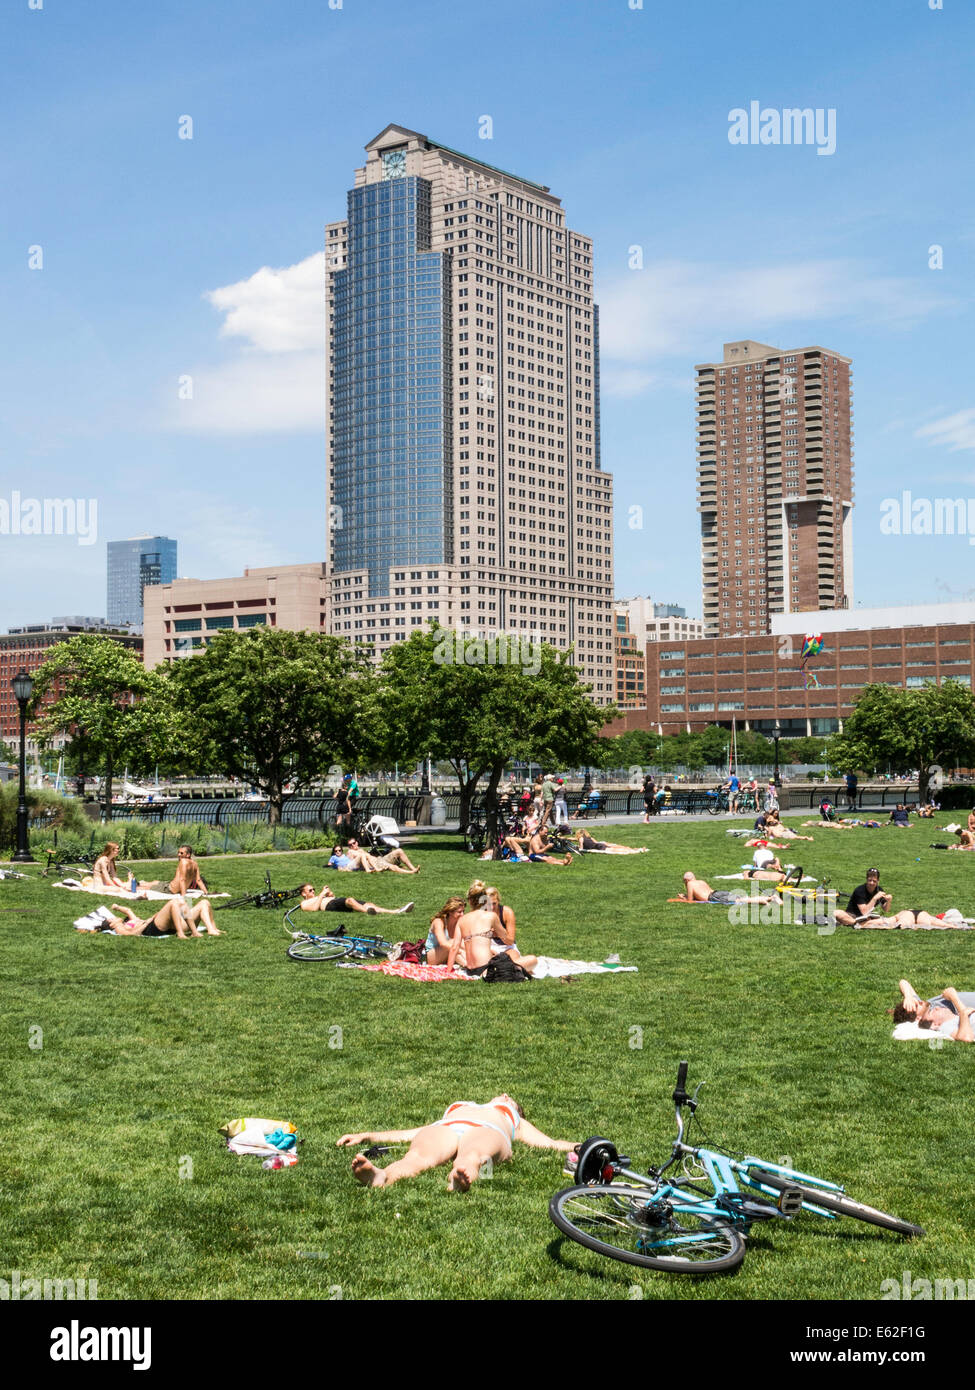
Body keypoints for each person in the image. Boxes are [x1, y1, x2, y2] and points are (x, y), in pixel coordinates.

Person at [337, 1094, 577, 1190]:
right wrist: (368, 1136)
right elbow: (414, 1131)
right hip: (447, 1127)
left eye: (510, 1099)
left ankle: (460, 1177)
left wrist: (586, 1146)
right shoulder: (464, 1107)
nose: (505, 1095)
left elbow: (552, 1143)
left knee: (473, 1155)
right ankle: (382, 1176)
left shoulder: (514, 1120)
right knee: (416, 1156)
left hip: (488, 1129)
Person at [448, 893, 538, 976]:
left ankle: (518, 968)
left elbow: (454, 948)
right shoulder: (490, 916)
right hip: (487, 969)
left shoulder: (463, 919)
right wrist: (496, 933)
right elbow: (507, 939)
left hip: (471, 970)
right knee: (533, 959)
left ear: (470, 901)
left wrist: (448, 972)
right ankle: (517, 969)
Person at [892, 980, 975, 1038]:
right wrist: (953, 997)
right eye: (916, 1006)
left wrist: (908, 996)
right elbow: (966, 1015)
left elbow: (903, 982)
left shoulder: (924, 1005)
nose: (918, 1002)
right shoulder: (935, 1014)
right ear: (918, 1018)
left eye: (915, 1002)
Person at [105, 897, 222, 937]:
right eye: (111, 918)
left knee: (204, 902)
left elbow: (128, 910)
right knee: (173, 903)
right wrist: (147, 922)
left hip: (156, 923)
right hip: (150, 928)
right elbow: (132, 934)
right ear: (111, 924)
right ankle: (181, 933)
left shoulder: (128, 922)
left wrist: (117, 907)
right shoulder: (118, 929)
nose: (114, 917)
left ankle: (211, 929)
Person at [299, 883, 414, 916]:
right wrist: (322, 894)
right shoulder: (304, 903)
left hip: (334, 900)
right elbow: (314, 909)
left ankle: (395, 911)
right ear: (303, 894)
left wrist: (328, 895)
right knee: (350, 900)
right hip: (330, 905)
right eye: (310, 890)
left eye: (313, 889)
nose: (313, 891)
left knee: (369, 903)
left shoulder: (317, 896)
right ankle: (367, 912)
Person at [677, 871, 772, 905]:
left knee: (741, 900)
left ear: (686, 880)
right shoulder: (701, 881)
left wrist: (683, 897)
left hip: (713, 897)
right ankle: (768, 898)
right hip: (718, 892)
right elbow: (709, 891)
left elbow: (690, 900)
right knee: (741, 898)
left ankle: (762, 900)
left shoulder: (690, 884)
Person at [424, 897, 466, 966]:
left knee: (463, 943)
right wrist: (460, 951)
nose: (462, 915)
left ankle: (476, 966)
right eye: (459, 912)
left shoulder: (458, 924)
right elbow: (443, 943)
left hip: (447, 954)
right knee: (454, 943)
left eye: (463, 911)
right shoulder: (439, 922)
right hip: (431, 957)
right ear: (450, 911)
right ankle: (468, 966)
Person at [574, 830, 647, 854]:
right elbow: (596, 842)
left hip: (600, 847)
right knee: (618, 847)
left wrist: (578, 848)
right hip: (600, 844)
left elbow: (581, 848)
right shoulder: (589, 837)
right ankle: (637, 849)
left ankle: (638, 850)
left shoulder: (581, 839)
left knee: (618, 850)